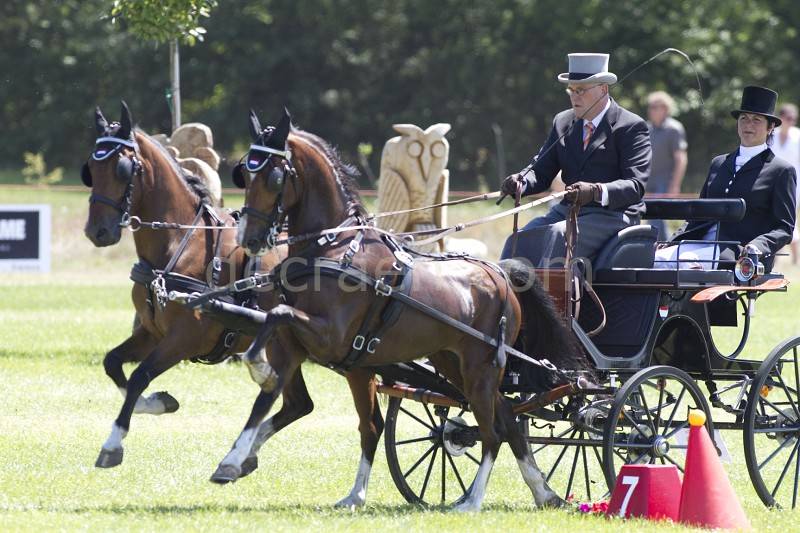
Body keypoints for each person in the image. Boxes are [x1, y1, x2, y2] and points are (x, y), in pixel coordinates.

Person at [500, 53, 651, 267]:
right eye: (571, 90)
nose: (574, 97)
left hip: (613, 215)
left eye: (581, 90)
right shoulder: (563, 121)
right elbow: (541, 169)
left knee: (559, 235)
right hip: (568, 211)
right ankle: (507, 289)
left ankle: (551, 290)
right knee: (518, 240)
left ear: (603, 89)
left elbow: (635, 186)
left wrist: (596, 191)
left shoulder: (631, 126)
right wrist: (521, 182)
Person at [655, 86, 797, 272]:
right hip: (697, 243)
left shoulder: (781, 171)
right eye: (744, 118)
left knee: (682, 264)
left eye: (756, 120)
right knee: (653, 260)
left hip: (738, 253)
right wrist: (672, 241)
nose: (748, 125)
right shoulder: (719, 163)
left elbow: (784, 228)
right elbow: (698, 213)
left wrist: (758, 246)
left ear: (770, 127)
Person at [646, 91, 688, 240]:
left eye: (654, 107)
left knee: (656, 219)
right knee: (651, 218)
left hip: (664, 181)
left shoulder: (674, 129)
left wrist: (675, 185)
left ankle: (662, 247)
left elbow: (681, 158)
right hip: (647, 180)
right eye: (650, 106)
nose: (650, 110)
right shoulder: (647, 128)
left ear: (664, 108)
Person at [770, 103, 800, 265]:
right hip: (773, 182)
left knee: (788, 218)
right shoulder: (772, 135)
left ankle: (794, 259)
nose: (791, 121)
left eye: (794, 119)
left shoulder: (798, 137)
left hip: (794, 184)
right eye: (788, 118)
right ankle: (775, 257)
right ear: (781, 118)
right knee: (774, 216)